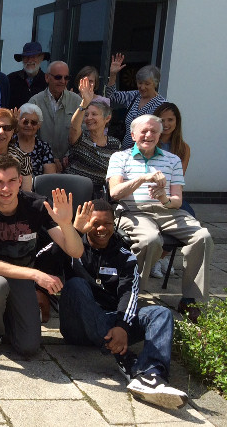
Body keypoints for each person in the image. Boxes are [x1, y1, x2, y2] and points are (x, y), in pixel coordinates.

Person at [59, 199, 188, 410]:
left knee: (161, 313)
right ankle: (127, 359)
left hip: (111, 319)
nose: (101, 229)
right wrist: (73, 230)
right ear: (85, 223)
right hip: (78, 326)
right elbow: (49, 257)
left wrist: (122, 326)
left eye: (107, 223)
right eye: (95, 223)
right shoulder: (73, 248)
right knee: (75, 285)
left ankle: (152, 375)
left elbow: (130, 293)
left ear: (114, 224)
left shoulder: (125, 256)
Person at [0, 154, 83, 358]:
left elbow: (76, 251)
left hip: (22, 274)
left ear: (20, 181)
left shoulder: (36, 205)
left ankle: (4, 313)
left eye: (12, 181)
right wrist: (36, 275)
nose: (6, 188)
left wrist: (65, 223)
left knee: (28, 347)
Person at [107, 114, 212, 322]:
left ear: (160, 135)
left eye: (154, 131)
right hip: (133, 210)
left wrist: (164, 198)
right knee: (150, 240)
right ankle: (133, 294)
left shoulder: (172, 160)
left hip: (167, 211)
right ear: (133, 134)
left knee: (203, 237)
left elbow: (177, 201)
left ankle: (191, 300)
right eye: (144, 131)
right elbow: (115, 193)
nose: (149, 135)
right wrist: (142, 179)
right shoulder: (120, 157)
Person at [149, 102, 193, 278]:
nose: (166, 124)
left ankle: (161, 257)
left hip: (170, 193)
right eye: (162, 120)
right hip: (149, 192)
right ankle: (153, 259)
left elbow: (178, 179)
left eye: (170, 120)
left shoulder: (183, 148)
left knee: (189, 215)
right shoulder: (149, 142)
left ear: (177, 122)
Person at [67, 78, 120, 199]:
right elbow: (74, 127)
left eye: (94, 114)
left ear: (107, 118)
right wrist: (84, 104)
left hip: (100, 194)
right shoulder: (81, 138)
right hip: (74, 190)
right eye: (86, 115)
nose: (89, 118)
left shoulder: (115, 144)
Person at [28, 61, 82, 171]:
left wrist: (68, 154)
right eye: (58, 77)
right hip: (42, 164)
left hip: (71, 163)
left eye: (66, 78)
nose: (62, 81)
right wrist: (49, 158)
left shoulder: (77, 101)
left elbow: (83, 133)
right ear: (47, 78)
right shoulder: (35, 102)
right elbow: (29, 135)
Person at [106, 54, 167, 149]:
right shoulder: (134, 96)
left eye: (147, 84)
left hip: (146, 152)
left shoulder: (162, 104)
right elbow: (111, 97)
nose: (142, 87)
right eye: (140, 83)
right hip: (126, 151)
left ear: (155, 83)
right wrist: (113, 75)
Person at [14, 103, 57, 177]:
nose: (29, 125)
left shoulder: (44, 147)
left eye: (33, 123)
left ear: (39, 125)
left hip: (38, 187)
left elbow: (50, 177)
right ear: (18, 122)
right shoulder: (10, 142)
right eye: (25, 122)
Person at [7, 42, 49, 109]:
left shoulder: (47, 82)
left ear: (41, 58)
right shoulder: (10, 79)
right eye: (26, 57)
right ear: (22, 59)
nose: (29, 60)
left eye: (33, 57)